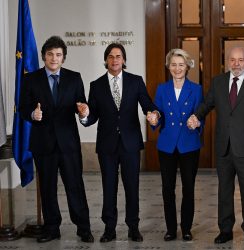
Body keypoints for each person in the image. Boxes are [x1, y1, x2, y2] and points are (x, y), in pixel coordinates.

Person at [187, 47, 244, 245]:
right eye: (232, 60)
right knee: (224, 191)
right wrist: (196, 117)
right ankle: (225, 230)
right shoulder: (218, 82)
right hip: (224, 147)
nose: (236, 64)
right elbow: (207, 105)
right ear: (227, 61)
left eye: (240, 60)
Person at [79, 43, 159, 243]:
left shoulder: (135, 81)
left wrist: (154, 115)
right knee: (109, 186)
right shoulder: (96, 85)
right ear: (106, 60)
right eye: (111, 56)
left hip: (130, 143)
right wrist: (84, 115)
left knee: (132, 186)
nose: (115, 60)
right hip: (107, 145)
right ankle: (109, 228)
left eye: (118, 56)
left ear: (124, 60)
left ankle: (133, 227)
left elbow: (148, 105)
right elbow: (93, 115)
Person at [19, 36, 93, 243]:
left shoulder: (74, 78)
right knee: (48, 187)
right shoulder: (30, 79)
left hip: (68, 143)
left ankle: (83, 228)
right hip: (43, 143)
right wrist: (33, 115)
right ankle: (52, 228)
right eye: (50, 54)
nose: (54, 58)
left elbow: (82, 106)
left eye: (58, 54)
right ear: (44, 56)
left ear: (64, 58)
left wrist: (84, 112)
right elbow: (23, 109)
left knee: (75, 185)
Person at [149, 49, 203, 242]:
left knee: (188, 188)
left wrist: (198, 123)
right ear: (168, 66)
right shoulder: (161, 89)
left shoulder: (196, 89)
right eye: (173, 64)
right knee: (167, 188)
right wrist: (153, 118)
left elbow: (201, 114)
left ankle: (186, 229)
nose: (177, 68)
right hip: (167, 145)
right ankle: (171, 229)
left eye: (181, 64)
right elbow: (157, 115)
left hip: (189, 144)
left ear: (187, 66)